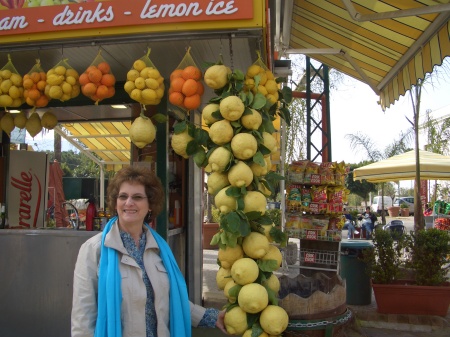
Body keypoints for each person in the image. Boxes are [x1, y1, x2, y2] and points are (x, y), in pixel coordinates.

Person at [71, 166, 226, 337]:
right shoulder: (94, 249)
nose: (129, 202)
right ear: (115, 202)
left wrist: (210, 317)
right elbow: (83, 317)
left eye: (137, 197)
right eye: (123, 196)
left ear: (150, 205)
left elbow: (170, 299)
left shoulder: (160, 249)